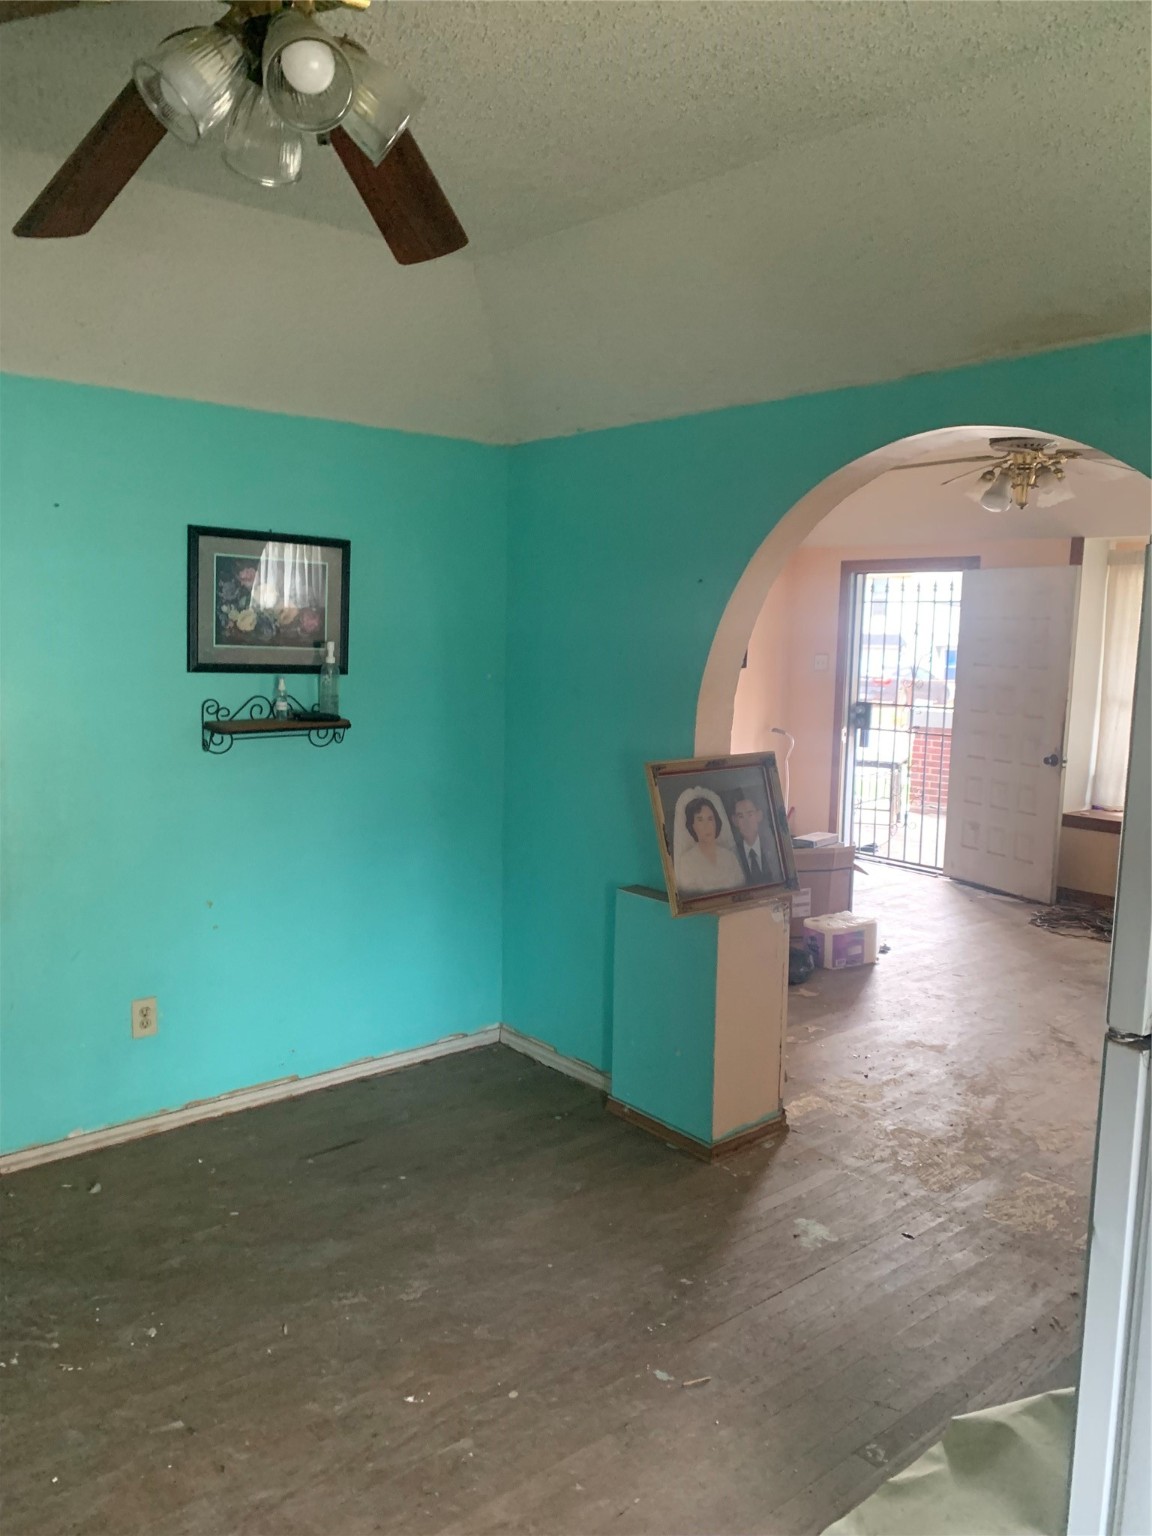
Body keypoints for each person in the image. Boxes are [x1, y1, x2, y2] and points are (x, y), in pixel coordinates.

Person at [674, 795, 745, 895]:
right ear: (692, 825)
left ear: (716, 822)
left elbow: (742, 890)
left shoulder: (729, 857)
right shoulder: (687, 862)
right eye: (700, 820)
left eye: (710, 819)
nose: (706, 825)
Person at [731, 790, 782, 887]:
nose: (746, 822)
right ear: (734, 821)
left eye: (750, 814)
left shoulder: (775, 848)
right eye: (741, 816)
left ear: (759, 815)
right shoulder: (733, 855)